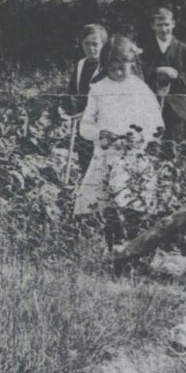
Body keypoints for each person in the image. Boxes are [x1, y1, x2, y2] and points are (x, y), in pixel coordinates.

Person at [73, 36, 165, 248]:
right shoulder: (98, 89)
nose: (119, 73)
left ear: (132, 65)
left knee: (133, 206)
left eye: (123, 68)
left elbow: (157, 126)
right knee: (107, 207)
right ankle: (111, 250)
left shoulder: (141, 90)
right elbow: (84, 128)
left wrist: (141, 136)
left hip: (133, 158)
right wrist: (101, 134)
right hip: (106, 157)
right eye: (113, 69)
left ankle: (134, 250)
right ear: (105, 66)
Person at [140, 6, 186, 156]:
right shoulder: (145, 48)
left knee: (172, 152)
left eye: (167, 25)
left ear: (173, 24)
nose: (163, 29)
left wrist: (176, 76)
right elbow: (137, 74)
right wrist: (157, 71)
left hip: (175, 110)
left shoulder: (183, 49)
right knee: (148, 149)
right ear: (153, 26)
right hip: (148, 107)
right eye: (159, 25)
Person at [61, 23, 110, 170]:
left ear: (103, 45)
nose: (91, 48)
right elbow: (72, 91)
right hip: (82, 122)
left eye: (95, 44)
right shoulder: (81, 64)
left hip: (102, 121)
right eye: (86, 44)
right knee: (84, 159)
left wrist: (88, 114)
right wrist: (67, 111)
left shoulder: (108, 67)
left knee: (101, 162)